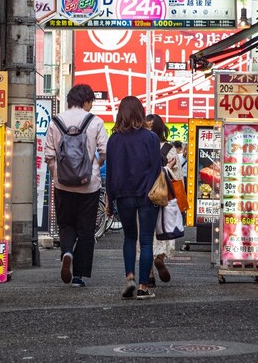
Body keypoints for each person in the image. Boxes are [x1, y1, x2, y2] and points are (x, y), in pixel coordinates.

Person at [44, 84, 107, 288]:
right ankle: (79, 276)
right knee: (86, 229)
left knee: (66, 223)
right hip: (89, 185)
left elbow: (49, 155)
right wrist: (94, 166)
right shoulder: (95, 121)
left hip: (62, 184)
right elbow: (104, 150)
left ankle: (67, 252)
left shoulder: (56, 121)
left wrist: (58, 176)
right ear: (86, 101)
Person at [106, 97, 162, 300]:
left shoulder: (114, 139)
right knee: (146, 241)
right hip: (147, 195)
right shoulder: (150, 138)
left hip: (122, 195)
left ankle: (129, 276)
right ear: (140, 112)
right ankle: (143, 286)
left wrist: (110, 201)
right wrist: (150, 192)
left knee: (129, 238)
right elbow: (156, 169)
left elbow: (111, 172)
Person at [145, 114, 181, 286]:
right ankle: (160, 257)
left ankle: (149, 274)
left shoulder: (142, 145)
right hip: (165, 197)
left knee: (145, 234)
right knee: (163, 228)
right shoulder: (170, 149)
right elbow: (177, 177)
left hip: (145, 196)